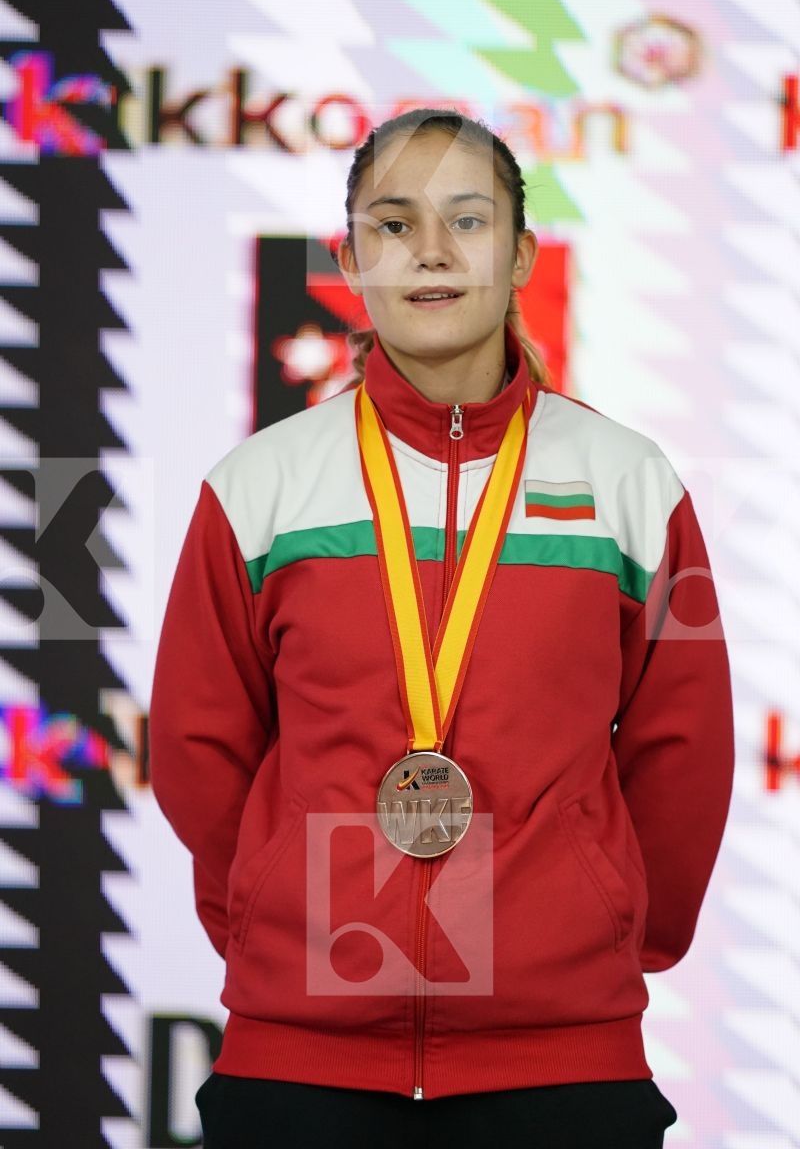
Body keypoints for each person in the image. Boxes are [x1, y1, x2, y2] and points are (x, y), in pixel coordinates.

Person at [149, 108, 734, 1148]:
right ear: (347, 259)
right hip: (299, 1062)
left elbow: (679, 749)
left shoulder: (626, 483)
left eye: (467, 219)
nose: (429, 250)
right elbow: (201, 749)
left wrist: (603, 934)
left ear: (519, 255)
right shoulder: (261, 487)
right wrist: (272, 921)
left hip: (563, 1061)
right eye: (392, 222)